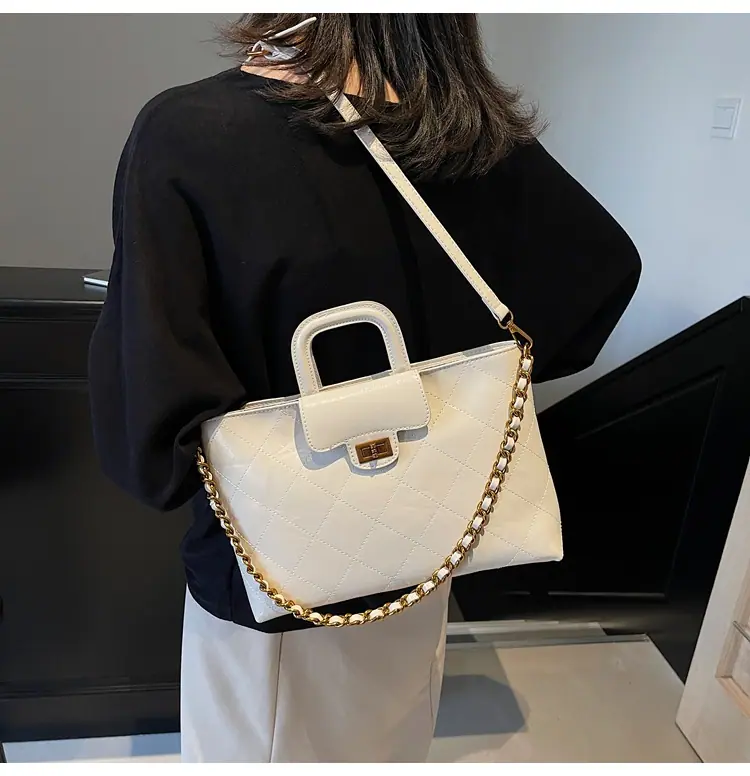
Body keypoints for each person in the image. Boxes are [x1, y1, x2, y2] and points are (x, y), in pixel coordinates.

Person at [88, 13, 641, 763]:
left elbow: (148, 422)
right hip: (435, 534)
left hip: (275, 567)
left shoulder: (192, 131)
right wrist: (457, 391)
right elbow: (600, 273)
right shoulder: (462, 124)